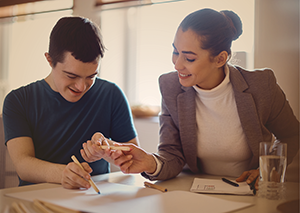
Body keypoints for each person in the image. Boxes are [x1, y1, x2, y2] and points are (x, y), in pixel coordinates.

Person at [92, 8, 299, 190]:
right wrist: (150, 162)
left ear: (220, 59)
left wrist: (265, 170)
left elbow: (292, 135)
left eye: (189, 58)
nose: (177, 64)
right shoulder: (170, 87)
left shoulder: (261, 86)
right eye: (175, 51)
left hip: (248, 194)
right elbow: (171, 154)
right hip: (194, 194)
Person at [3, 16, 138, 189]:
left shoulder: (111, 94)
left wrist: (108, 150)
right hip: (37, 198)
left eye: (91, 77)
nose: (81, 87)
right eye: (71, 76)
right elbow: (23, 165)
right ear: (50, 60)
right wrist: (62, 174)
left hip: (95, 200)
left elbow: (133, 155)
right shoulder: (19, 101)